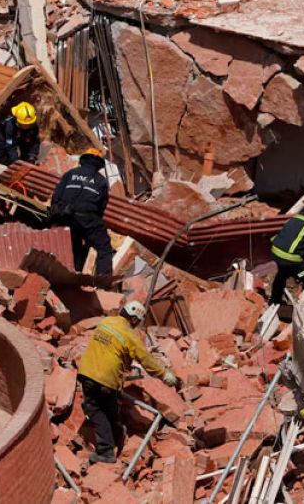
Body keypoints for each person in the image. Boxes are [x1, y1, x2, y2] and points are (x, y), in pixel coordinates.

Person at [77, 301, 177, 464]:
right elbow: (145, 359)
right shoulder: (131, 335)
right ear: (135, 320)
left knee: (98, 409)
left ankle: (112, 444)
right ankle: (107, 451)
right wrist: (164, 374)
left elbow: (109, 348)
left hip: (88, 374)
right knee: (102, 411)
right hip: (108, 381)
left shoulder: (105, 321)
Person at [52, 148, 114, 275]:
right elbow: (101, 206)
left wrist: (58, 214)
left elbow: (56, 196)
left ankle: (74, 271)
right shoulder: (101, 180)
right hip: (88, 218)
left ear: (83, 160)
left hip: (65, 217)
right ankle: (104, 283)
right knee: (104, 248)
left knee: (73, 245)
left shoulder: (70, 173)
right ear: (99, 164)